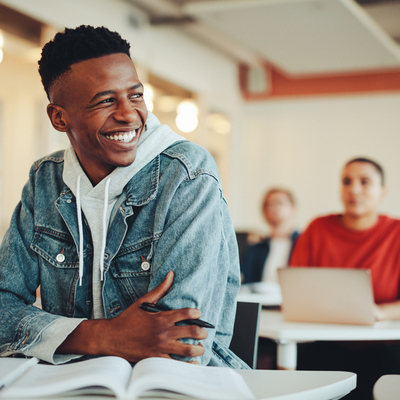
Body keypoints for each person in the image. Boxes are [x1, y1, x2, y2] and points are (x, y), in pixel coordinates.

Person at [0, 25, 246, 369]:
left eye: (135, 95)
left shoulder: (187, 173)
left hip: (174, 386)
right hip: (70, 382)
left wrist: (64, 335)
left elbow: (182, 344)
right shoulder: (46, 179)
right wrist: (105, 336)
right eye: (105, 101)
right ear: (59, 117)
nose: (129, 114)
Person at [290, 157, 400, 400]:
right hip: (323, 343)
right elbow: (295, 287)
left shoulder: (397, 233)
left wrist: (382, 311)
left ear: (383, 192)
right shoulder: (318, 228)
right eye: (347, 181)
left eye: (365, 182)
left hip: (384, 347)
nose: (354, 189)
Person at [241, 188, 299, 285]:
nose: (272, 208)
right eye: (268, 204)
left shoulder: (304, 244)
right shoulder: (255, 248)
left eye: (279, 203)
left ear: (293, 208)